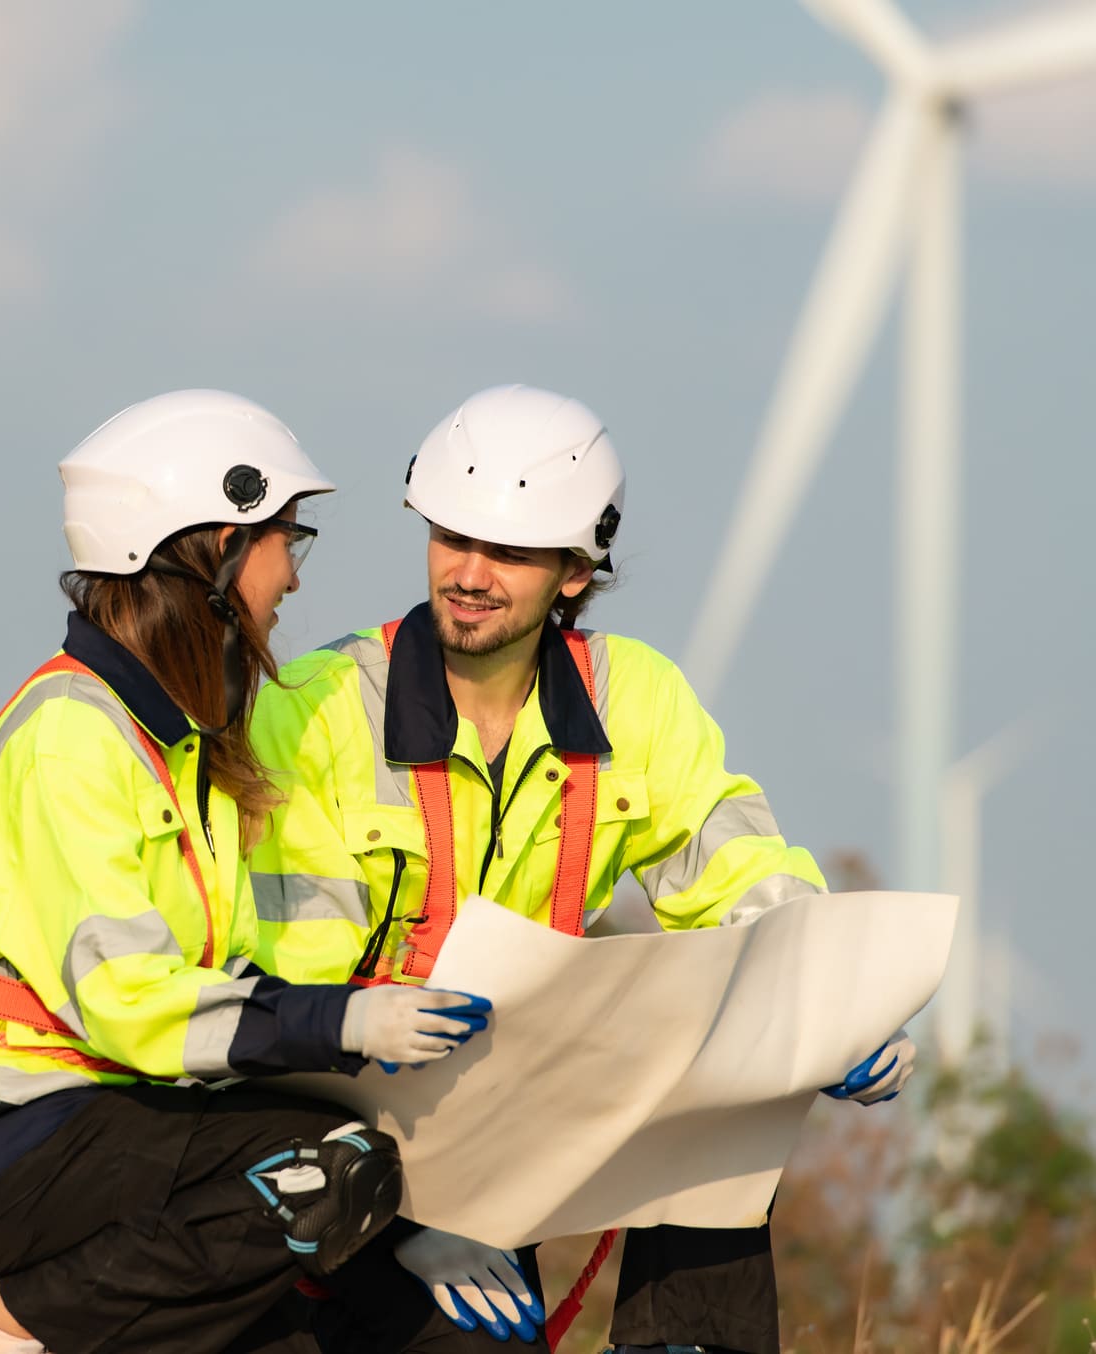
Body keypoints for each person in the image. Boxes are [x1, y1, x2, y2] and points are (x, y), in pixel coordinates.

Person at [245, 385, 916, 1354]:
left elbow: (743, 873)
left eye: (509, 552)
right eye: (453, 539)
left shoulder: (636, 700)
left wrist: (842, 998)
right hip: (350, 1149)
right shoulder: (315, 710)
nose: (470, 574)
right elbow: (295, 1012)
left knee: (738, 1053)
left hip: (517, 1123)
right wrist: (395, 1213)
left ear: (574, 570)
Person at [0, 389, 495, 1354]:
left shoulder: (178, 743)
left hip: (97, 1107)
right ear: (211, 551)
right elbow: (126, 999)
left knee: (327, 1232)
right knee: (330, 1164)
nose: (290, 576)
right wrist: (341, 1020)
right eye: (285, 537)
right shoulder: (74, 735)